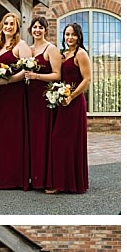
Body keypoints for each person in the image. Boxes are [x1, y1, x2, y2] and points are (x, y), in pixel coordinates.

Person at [46, 22, 90, 194]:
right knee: (59, 140)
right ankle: (62, 181)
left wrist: (71, 97)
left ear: (79, 36)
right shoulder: (64, 54)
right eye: (67, 34)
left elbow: (86, 80)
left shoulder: (81, 54)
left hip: (74, 102)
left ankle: (67, 183)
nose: (69, 38)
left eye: (73, 34)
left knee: (65, 140)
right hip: (61, 101)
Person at [0, 13, 30, 189]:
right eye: (6, 23)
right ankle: (1, 175)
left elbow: (27, 70)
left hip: (14, 96)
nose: (8, 26)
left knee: (13, 135)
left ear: (17, 27)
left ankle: (14, 178)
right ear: (1, 26)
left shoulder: (21, 45)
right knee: (0, 135)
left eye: (12, 24)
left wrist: (9, 79)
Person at [21, 16, 61, 191]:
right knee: (31, 136)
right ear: (30, 30)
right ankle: (32, 176)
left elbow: (57, 75)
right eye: (35, 27)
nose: (37, 30)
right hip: (28, 97)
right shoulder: (28, 49)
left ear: (46, 30)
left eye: (41, 27)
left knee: (42, 136)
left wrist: (36, 76)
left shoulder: (51, 49)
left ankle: (46, 178)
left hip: (44, 97)